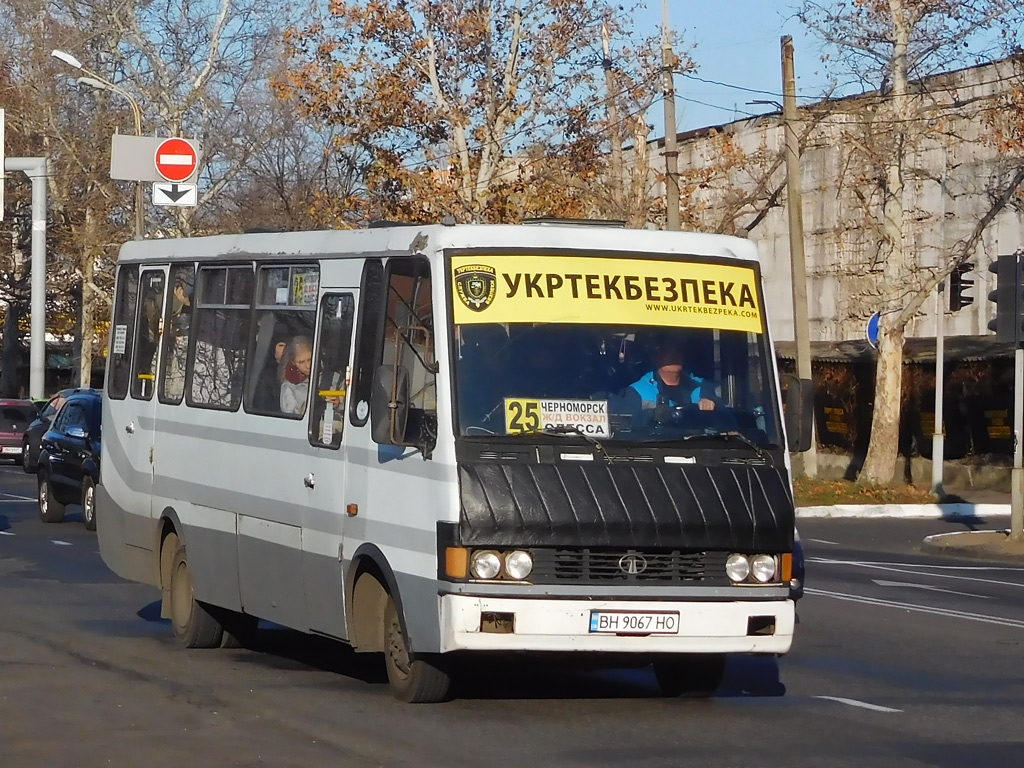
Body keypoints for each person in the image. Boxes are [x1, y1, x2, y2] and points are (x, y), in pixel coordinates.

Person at [620, 340, 722, 428]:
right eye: (667, 353)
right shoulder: (636, 391)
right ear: (655, 358)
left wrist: (712, 404)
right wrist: (653, 415)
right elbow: (626, 426)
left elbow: (726, 418)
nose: (673, 357)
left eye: (677, 352)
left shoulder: (702, 387)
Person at [279, 335, 313, 415]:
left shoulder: (330, 378)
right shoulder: (289, 387)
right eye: (301, 362)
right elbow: (291, 418)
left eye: (310, 360)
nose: (308, 366)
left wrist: (339, 403)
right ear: (293, 362)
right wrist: (303, 411)